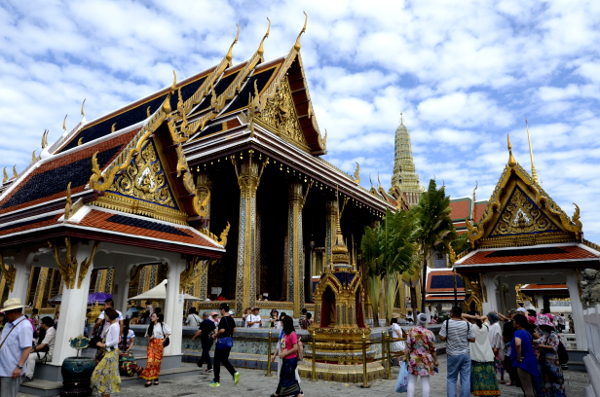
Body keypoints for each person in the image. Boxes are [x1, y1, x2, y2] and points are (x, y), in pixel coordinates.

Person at [439, 306, 475, 397]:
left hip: (453, 354)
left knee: (451, 378)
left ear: (451, 313)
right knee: (466, 378)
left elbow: (442, 337)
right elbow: (473, 339)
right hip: (465, 354)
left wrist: (451, 336)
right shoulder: (467, 324)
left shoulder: (446, 323)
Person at [0, 298, 33, 397]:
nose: (5, 315)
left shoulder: (24, 326)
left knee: (7, 395)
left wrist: (19, 367)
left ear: (14, 312)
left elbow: (27, 348)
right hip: (2, 366)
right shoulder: (8, 324)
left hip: (10, 369)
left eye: (6, 312)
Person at [463, 312, 500, 396]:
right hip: (487, 355)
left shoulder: (471, 327)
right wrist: (479, 317)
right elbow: (486, 317)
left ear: (472, 320)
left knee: (479, 376)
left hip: (476, 355)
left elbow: (461, 315)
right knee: (489, 375)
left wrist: (473, 316)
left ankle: (482, 393)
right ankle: (492, 391)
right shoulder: (485, 327)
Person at [404, 312, 438, 397]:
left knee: (411, 381)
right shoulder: (429, 333)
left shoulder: (411, 331)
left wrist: (405, 356)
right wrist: (436, 360)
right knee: (425, 382)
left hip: (414, 359)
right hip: (426, 360)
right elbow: (433, 349)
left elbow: (407, 346)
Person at [91, 307, 121, 397]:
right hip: (108, 352)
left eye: (105, 315)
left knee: (102, 374)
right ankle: (104, 394)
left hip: (111, 353)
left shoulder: (115, 326)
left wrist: (104, 345)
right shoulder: (112, 325)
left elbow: (116, 340)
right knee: (103, 375)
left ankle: (105, 394)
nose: (104, 317)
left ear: (109, 315)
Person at [210, 303, 240, 388]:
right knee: (224, 360)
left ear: (223, 310)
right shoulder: (231, 319)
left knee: (216, 361)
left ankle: (216, 380)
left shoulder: (223, 319)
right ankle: (234, 373)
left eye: (220, 309)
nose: (220, 311)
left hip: (222, 342)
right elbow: (234, 331)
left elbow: (222, 330)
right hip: (229, 342)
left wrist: (215, 335)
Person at [271, 315, 302, 397]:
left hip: (291, 359)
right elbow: (282, 345)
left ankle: (279, 393)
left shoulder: (293, 334)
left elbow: (295, 348)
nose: (281, 324)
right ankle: (298, 393)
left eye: (283, 322)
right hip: (285, 359)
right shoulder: (285, 334)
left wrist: (285, 353)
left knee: (285, 377)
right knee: (289, 377)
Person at [536, 315, 566, 397]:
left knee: (556, 381)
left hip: (553, 363)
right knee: (548, 381)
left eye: (541, 325)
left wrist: (542, 346)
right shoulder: (545, 334)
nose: (540, 327)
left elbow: (554, 347)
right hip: (546, 362)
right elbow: (539, 341)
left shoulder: (553, 335)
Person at [511, 314, 540, 397]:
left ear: (518, 323)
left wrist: (519, 356)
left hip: (523, 362)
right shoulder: (526, 332)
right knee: (531, 386)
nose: (513, 322)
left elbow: (518, 344)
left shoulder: (518, 332)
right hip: (530, 360)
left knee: (527, 387)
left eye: (514, 321)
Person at [139, 313, 171, 386]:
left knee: (157, 362)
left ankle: (156, 378)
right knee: (150, 362)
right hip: (151, 344)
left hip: (159, 344)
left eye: (153, 316)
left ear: (157, 318)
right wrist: (149, 337)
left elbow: (169, 332)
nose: (152, 317)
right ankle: (149, 379)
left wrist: (164, 339)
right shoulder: (150, 325)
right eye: (152, 316)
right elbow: (147, 335)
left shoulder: (162, 325)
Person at [24, 316, 56, 382]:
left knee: (31, 357)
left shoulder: (51, 332)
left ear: (44, 324)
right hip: (47, 353)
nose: (40, 324)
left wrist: (32, 350)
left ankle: (29, 376)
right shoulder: (50, 331)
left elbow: (41, 346)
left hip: (50, 354)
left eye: (41, 323)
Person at [486, 312, 504, 383]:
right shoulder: (488, 325)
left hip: (496, 346)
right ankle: (493, 375)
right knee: (492, 362)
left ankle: (501, 377)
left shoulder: (496, 325)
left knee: (499, 362)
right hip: (490, 346)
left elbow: (498, 336)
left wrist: (496, 347)